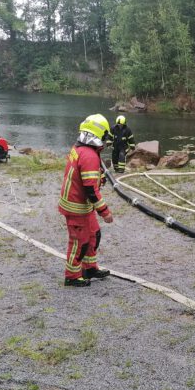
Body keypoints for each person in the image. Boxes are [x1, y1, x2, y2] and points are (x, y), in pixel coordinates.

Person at [58, 114, 114, 287]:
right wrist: (105, 212)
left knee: (94, 234)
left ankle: (89, 268)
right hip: (77, 207)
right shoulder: (89, 155)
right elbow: (90, 189)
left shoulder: (81, 149)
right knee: (79, 242)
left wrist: (99, 177)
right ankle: (72, 276)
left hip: (82, 206)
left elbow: (84, 178)